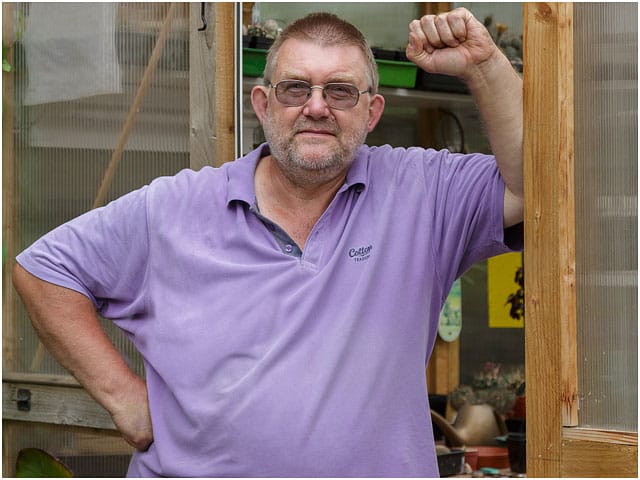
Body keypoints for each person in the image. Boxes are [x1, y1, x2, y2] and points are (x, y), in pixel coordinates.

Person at [13, 8, 523, 477]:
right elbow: (44, 270)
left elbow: (535, 188)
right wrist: (124, 398)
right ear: (263, 104)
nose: (316, 107)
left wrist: (483, 65)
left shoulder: (424, 193)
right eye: (295, 88)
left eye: (340, 91)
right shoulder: (176, 208)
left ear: (371, 112)